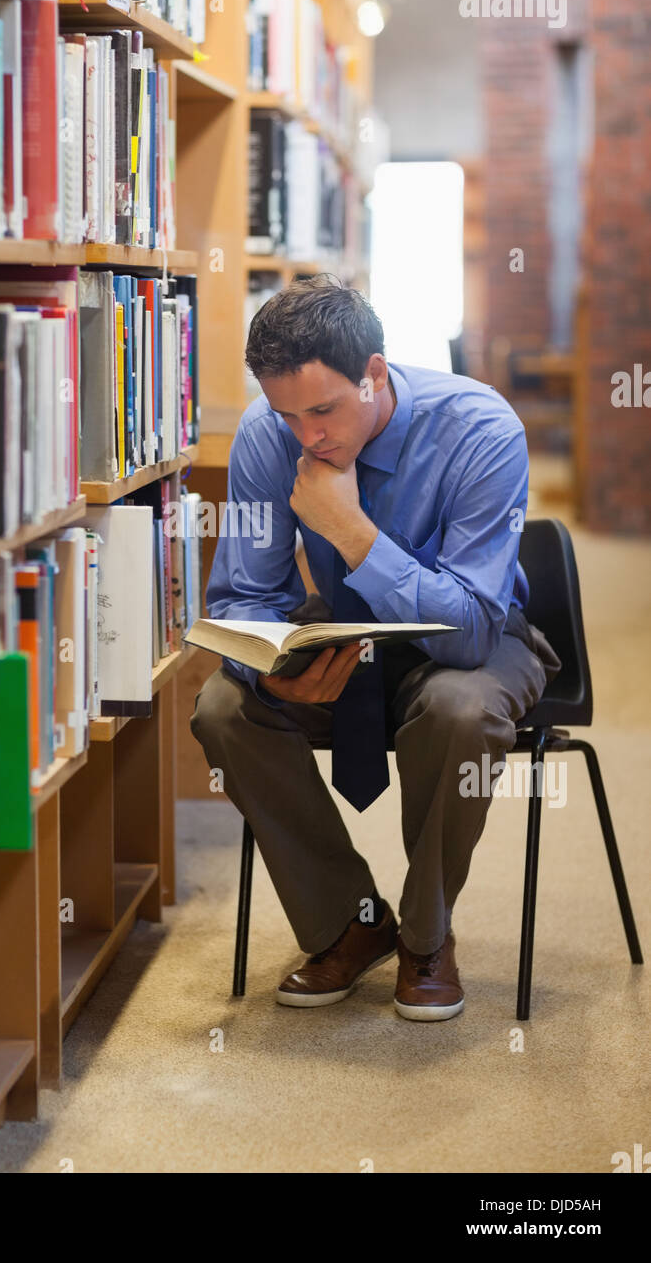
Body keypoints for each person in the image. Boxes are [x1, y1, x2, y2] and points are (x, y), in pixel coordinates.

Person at [190, 274, 561, 1020]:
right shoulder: (270, 435)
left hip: (477, 636)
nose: (307, 437)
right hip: (344, 634)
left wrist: (354, 534)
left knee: (459, 709)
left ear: (376, 375)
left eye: (324, 410)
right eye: (287, 414)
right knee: (223, 707)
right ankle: (351, 926)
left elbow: (471, 631)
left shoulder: (481, 430)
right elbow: (241, 598)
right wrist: (270, 675)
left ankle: (427, 939)